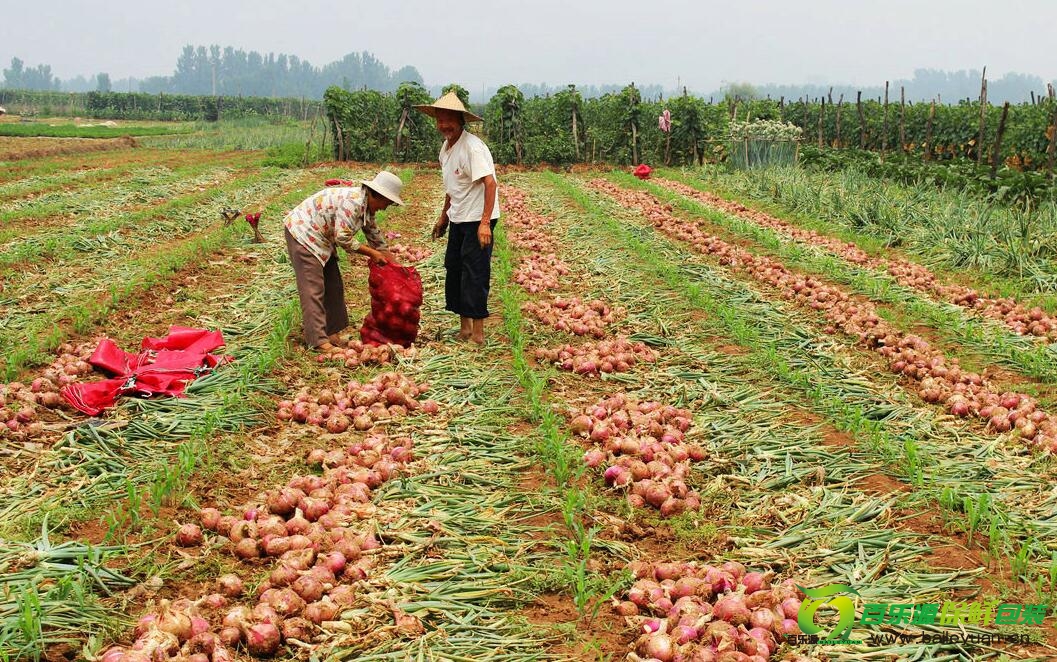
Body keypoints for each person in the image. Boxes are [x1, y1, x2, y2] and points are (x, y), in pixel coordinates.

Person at [283, 171, 403, 353]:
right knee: (312, 288)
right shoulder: (354, 202)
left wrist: (396, 267)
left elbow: (375, 237)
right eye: (386, 203)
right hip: (304, 234)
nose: (385, 207)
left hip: (322, 238)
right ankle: (318, 341)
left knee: (333, 285)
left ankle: (330, 333)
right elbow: (343, 239)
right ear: (375, 194)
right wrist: (371, 253)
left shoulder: (366, 207)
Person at [415, 92, 500, 345]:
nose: (444, 125)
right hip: (458, 217)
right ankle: (464, 329)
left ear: (461, 120)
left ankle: (478, 334)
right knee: (454, 269)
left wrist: (485, 223)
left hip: (477, 219)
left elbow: (490, 183)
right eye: (440, 120)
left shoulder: (472, 148)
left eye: (449, 119)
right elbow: (452, 188)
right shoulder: (446, 147)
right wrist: (443, 217)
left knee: (475, 272)